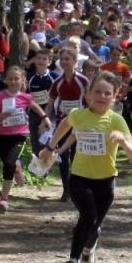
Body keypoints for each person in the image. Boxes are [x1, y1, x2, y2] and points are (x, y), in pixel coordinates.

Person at [39, 71, 132, 263]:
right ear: (88, 95)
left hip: (105, 182)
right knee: (87, 217)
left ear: (114, 98)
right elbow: (65, 124)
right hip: (79, 178)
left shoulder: (116, 120)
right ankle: (73, 262)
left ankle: (89, 247)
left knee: (93, 225)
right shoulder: (79, 114)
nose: (102, 97)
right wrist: (50, 146)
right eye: (97, 92)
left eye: (107, 93)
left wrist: (122, 140)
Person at [0, 67, 52, 211]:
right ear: (5, 79)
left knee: (8, 165)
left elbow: (36, 108)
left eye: (16, 78)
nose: (13, 81)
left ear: (23, 80)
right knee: (8, 163)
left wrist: (45, 118)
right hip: (2, 136)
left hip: (19, 135)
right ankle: (17, 168)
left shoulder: (26, 97)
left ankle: (4, 199)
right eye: (10, 78)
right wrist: (1, 117)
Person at [45, 48, 89, 202]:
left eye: (67, 59)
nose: (64, 62)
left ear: (75, 62)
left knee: (78, 155)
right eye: (62, 59)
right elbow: (51, 103)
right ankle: (66, 190)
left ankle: (79, 188)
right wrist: (45, 118)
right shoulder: (57, 82)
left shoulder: (83, 80)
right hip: (63, 122)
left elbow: (89, 100)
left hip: (81, 123)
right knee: (63, 155)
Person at [26, 49, 60, 156]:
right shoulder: (29, 76)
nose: (41, 61)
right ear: (35, 60)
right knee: (35, 138)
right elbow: (26, 95)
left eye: (44, 59)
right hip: (34, 112)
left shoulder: (54, 77)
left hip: (50, 113)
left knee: (47, 138)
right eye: (38, 58)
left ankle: (48, 160)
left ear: (49, 62)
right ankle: (37, 162)